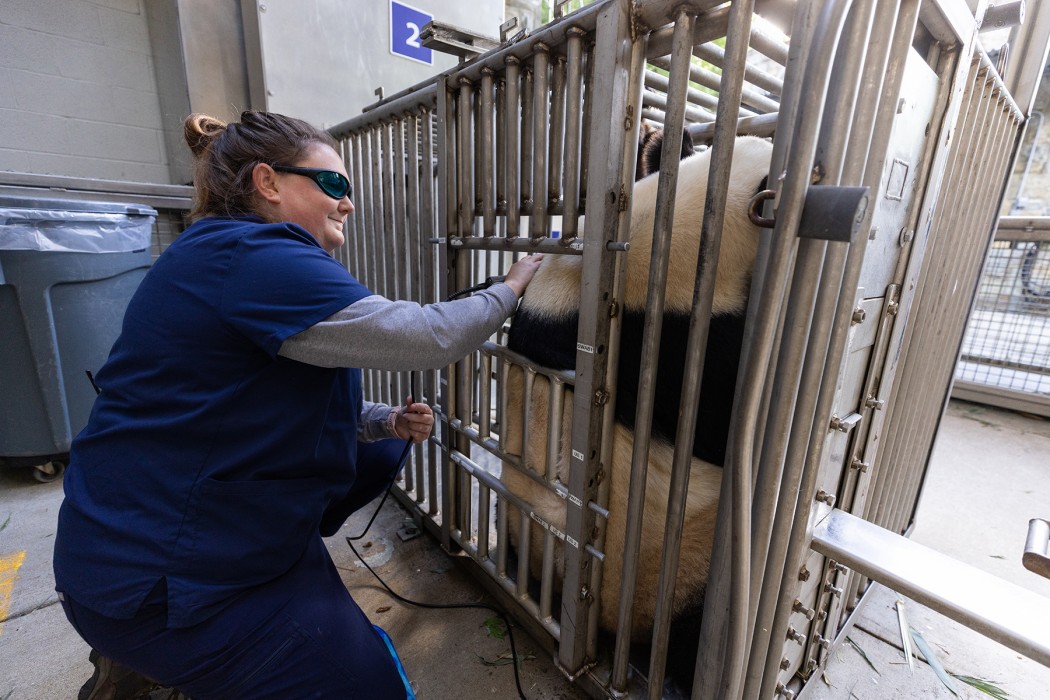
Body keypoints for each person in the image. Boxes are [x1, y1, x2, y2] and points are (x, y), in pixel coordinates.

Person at [52, 109, 543, 699]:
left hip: (130, 543)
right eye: (333, 184)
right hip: (161, 587)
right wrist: (511, 284)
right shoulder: (253, 256)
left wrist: (383, 420)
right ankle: (155, 661)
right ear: (268, 183)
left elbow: (258, 405)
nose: (347, 202)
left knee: (385, 451)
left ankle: (172, 647)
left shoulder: (219, 255)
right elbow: (429, 336)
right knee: (371, 689)